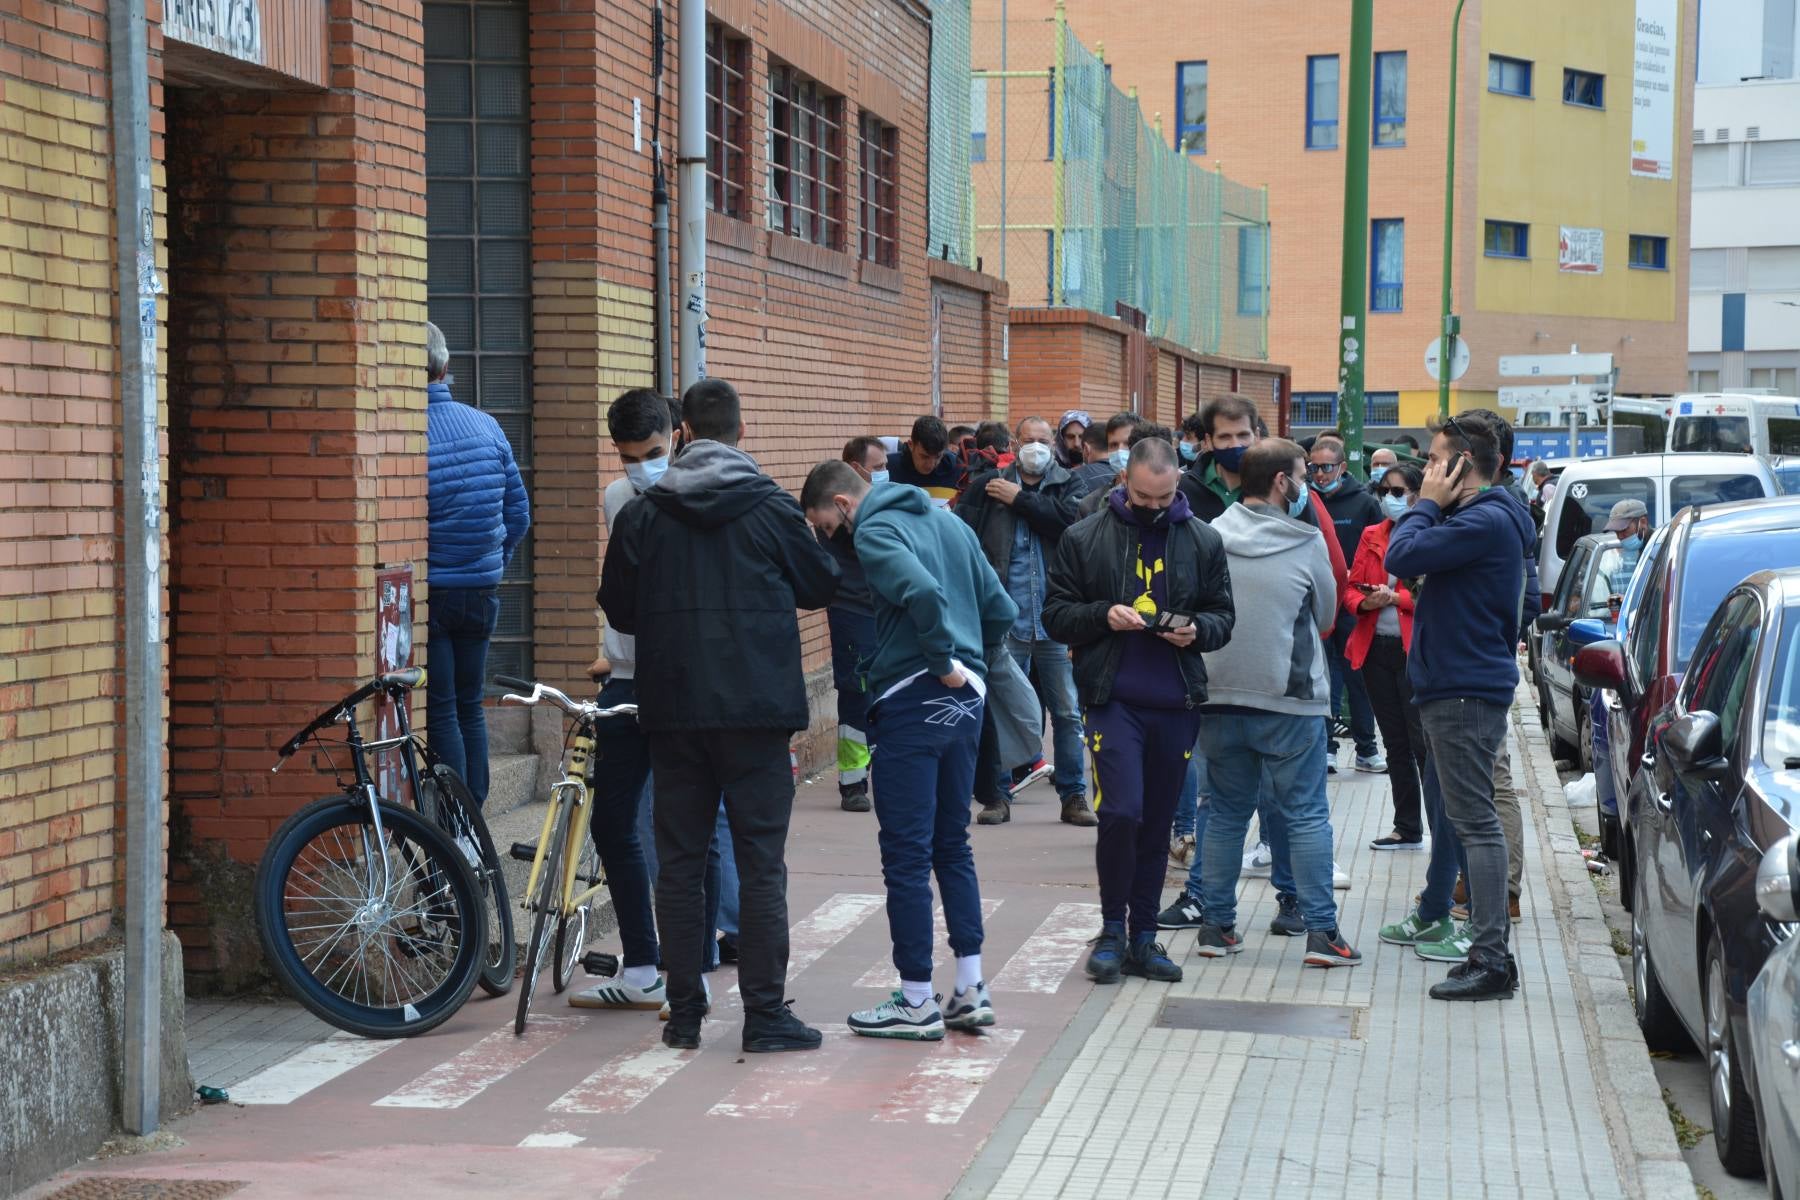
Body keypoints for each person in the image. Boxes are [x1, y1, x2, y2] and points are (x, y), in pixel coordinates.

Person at [599, 378, 840, 1051]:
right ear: (742, 432)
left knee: (678, 863)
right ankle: (764, 1017)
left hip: (673, 710)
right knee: (760, 864)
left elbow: (618, 609)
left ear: (682, 435)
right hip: (758, 713)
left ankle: (683, 1016)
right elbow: (820, 585)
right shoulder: (768, 509)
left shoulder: (644, 514)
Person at [801, 459, 1017, 1040]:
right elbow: (1002, 608)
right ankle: (970, 987)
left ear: (843, 504)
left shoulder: (873, 528)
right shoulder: (948, 522)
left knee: (905, 852)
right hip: (966, 699)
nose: (831, 538)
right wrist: (969, 663)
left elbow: (919, 591)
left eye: (825, 526)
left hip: (913, 694)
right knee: (952, 844)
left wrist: (942, 660)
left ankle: (917, 999)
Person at [1043, 438, 1234, 984]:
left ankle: (1144, 937)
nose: (1155, 507)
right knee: (1121, 813)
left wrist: (1197, 631)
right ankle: (1111, 931)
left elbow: (1223, 616)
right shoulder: (1085, 536)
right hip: (1113, 699)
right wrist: (1104, 615)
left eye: (1166, 497)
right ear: (1125, 481)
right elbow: (1055, 616)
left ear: (1178, 483)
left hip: (1176, 701)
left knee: (1154, 824)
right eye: (1145, 497)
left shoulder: (1202, 539)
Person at [1189, 439, 1360, 968]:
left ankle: (1216, 927)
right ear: (1283, 483)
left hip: (1216, 694)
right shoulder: (1305, 541)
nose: (1307, 480)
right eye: (1302, 473)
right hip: (1290, 700)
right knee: (1305, 814)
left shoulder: (1208, 535)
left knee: (1221, 813)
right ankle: (1322, 933)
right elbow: (1327, 613)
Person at [1383, 410, 1535, 1001]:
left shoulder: (1487, 520)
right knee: (1468, 819)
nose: (1425, 468)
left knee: (1477, 824)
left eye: (1435, 457)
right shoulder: (1481, 517)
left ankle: (1491, 958)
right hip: (1458, 684)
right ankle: (1482, 947)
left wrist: (1424, 504)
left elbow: (1401, 556)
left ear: (1461, 465)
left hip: (1464, 689)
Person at [566, 389, 672, 1012]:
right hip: (625, 681)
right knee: (612, 820)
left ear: (676, 437)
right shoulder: (615, 497)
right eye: (630, 457)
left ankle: (694, 966)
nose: (642, 467)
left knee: (687, 827)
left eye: (654, 452)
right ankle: (642, 967)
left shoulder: (696, 491)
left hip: (682, 681)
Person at [957, 416, 1089, 827]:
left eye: (1043, 441)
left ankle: (1074, 796)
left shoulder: (1070, 484)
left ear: (1054, 446)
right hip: (1004, 619)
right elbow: (965, 540)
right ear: (1016, 442)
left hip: (1055, 619)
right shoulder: (986, 487)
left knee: (1067, 711)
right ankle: (996, 795)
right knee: (998, 709)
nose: (1036, 447)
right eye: (1028, 440)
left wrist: (1019, 500)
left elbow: (1075, 528)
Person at [424, 321, 529, 809]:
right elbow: (519, 514)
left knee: (441, 708)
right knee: (471, 705)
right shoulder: (486, 425)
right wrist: (494, 563)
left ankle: (454, 815)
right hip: (481, 590)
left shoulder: (405, 431)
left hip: (433, 593)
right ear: (446, 367)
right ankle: (477, 813)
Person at [1345, 463, 1427, 851]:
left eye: (1398, 491)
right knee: (1394, 742)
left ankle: (1441, 829)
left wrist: (1397, 598)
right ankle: (1406, 827)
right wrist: (1366, 601)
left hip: (1416, 652)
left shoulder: (1433, 535)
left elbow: (1435, 596)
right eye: (1385, 491)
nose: (1390, 499)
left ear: (1417, 494)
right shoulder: (1372, 535)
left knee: (1422, 742)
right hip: (1376, 646)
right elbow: (1350, 589)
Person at [817, 436, 889, 813]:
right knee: (856, 692)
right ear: (855, 469)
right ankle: (853, 781)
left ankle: (882, 769)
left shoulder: (877, 502)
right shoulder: (837, 507)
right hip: (853, 611)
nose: (882, 474)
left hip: (883, 609)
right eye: (876, 468)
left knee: (886, 692)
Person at [1309, 438, 1386, 775]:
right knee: (1321, 676)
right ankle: (1325, 747)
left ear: (1342, 467)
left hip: (1352, 604)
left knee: (1358, 676)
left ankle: (1367, 749)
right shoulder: (1305, 502)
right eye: (1314, 468)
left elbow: (1379, 548)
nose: (1320, 474)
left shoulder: (1364, 503)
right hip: (1317, 601)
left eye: (1326, 467)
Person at [888, 415, 962, 507]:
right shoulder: (888, 468)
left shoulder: (958, 469)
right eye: (924, 456)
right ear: (911, 445)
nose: (930, 465)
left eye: (938, 457)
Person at [1071, 412, 1139, 499]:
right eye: (1113, 445)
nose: (1120, 450)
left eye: (1128, 443)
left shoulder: (1157, 490)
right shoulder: (1094, 502)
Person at [1604, 499, 1650, 593]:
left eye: (1624, 530)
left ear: (1643, 522)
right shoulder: (1641, 551)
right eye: (1616, 531)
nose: (1620, 537)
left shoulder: (1660, 550)